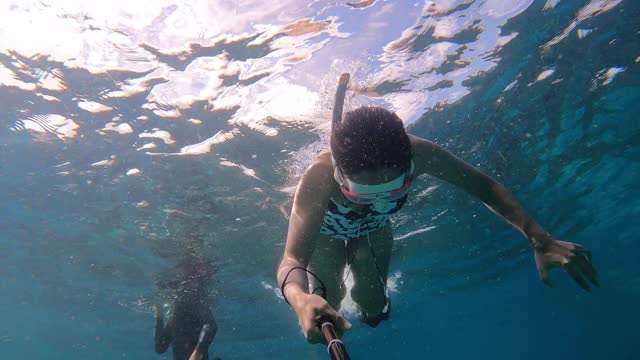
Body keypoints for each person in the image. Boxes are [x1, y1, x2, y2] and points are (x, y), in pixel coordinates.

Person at [276, 73, 599, 344]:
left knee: (374, 307)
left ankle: (370, 307)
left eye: (391, 189)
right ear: (339, 175)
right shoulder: (318, 178)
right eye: (363, 191)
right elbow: (292, 259)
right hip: (328, 234)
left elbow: (485, 187)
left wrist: (539, 239)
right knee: (325, 311)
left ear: (409, 166)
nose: (377, 201)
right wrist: (299, 299)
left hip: (375, 229)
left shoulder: (422, 154)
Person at [154, 256, 220, 360]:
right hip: (186, 316)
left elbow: (160, 348)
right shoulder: (193, 301)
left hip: (180, 318)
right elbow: (211, 325)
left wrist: (159, 315)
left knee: (159, 347)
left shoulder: (180, 308)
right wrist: (197, 354)